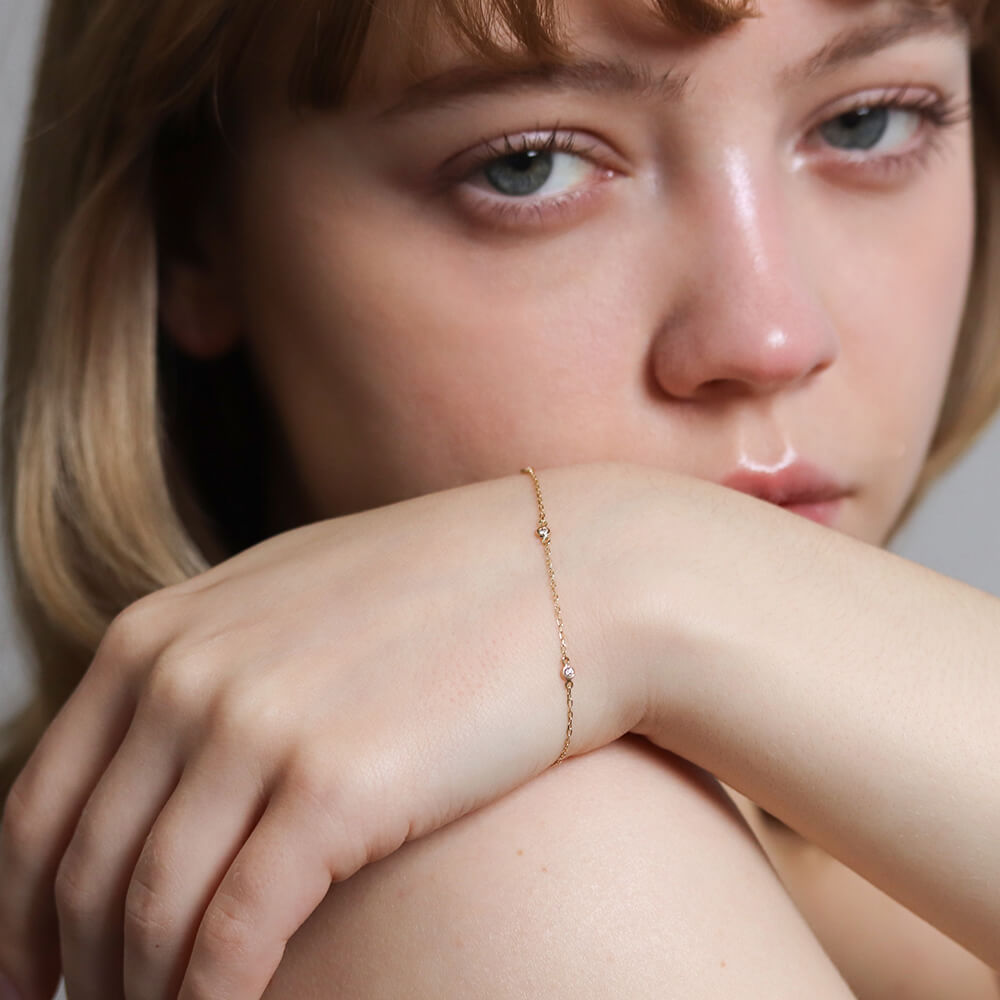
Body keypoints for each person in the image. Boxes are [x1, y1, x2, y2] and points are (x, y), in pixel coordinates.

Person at [1, 0, 999, 996]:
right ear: (194, 234)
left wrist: (642, 571)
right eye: (530, 165)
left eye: (867, 122)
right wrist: (625, 577)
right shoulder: (519, 874)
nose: (770, 337)